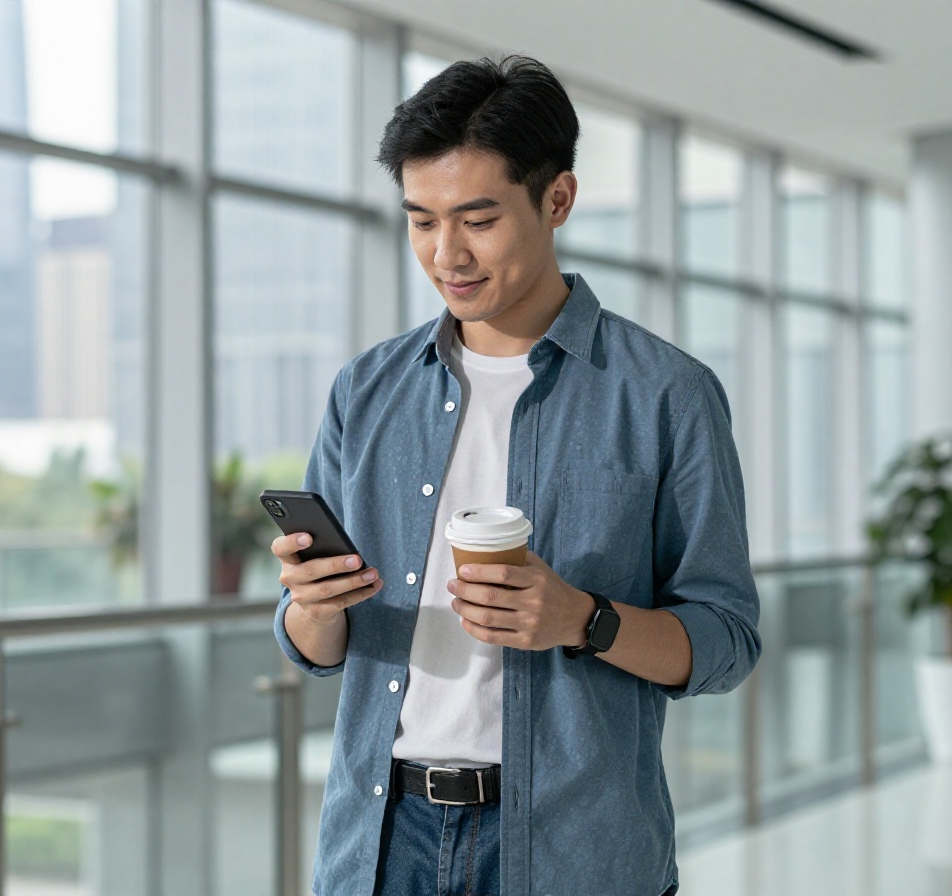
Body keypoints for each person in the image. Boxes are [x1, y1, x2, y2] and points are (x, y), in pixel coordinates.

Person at [270, 56, 761, 896]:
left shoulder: (665, 394)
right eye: (420, 221)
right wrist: (311, 608)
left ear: (557, 200)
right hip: (381, 845)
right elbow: (312, 645)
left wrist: (583, 619)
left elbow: (727, 641)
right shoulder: (367, 390)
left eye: (478, 219)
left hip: (578, 850)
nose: (446, 253)